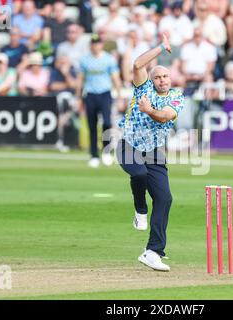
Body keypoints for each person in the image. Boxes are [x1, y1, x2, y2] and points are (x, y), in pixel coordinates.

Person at [116, 33, 184, 272]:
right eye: (158, 77)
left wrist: (149, 110)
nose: (162, 80)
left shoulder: (176, 97)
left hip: (154, 151)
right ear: (152, 80)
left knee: (165, 198)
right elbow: (136, 64)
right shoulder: (142, 88)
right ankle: (140, 209)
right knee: (139, 175)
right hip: (128, 145)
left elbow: (165, 115)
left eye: (166, 76)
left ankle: (153, 251)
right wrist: (161, 47)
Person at [77, 34, 124, 168]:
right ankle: (93, 155)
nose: (95, 45)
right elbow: (80, 80)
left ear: (101, 45)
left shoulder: (109, 59)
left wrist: (120, 96)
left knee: (107, 123)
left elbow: (115, 78)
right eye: (93, 43)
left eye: (98, 43)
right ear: (90, 45)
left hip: (105, 93)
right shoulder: (85, 60)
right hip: (90, 94)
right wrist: (78, 97)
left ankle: (106, 151)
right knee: (92, 125)